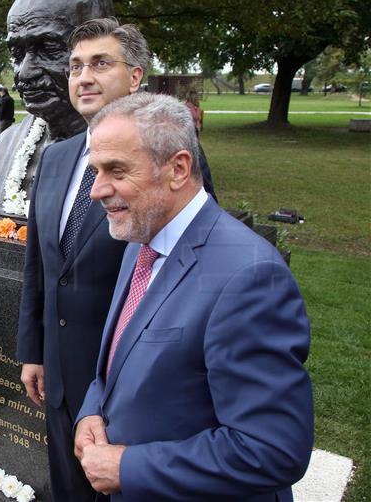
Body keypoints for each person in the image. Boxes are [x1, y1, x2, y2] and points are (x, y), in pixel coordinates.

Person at [74, 92, 313, 500]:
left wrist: (127, 467)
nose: (96, 189)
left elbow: (273, 450)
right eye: (95, 169)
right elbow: (123, 354)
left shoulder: (249, 276)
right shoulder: (140, 237)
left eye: (116, 169)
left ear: (179, 169)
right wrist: (91, 410)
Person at [16, 17, 148, 502]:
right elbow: (39, 265)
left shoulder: (168, 155)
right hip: (58, 373)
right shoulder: (56, 158)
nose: (83, 77)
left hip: (126, 378)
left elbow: (182, 273)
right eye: (74, 66)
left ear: (135, 77)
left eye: (100, 63)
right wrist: (33, 348)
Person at [0, 0, 113, 211]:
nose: (24, 72)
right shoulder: (6, 146)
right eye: (17, 54)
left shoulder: (149, 148)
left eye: (48, 48)